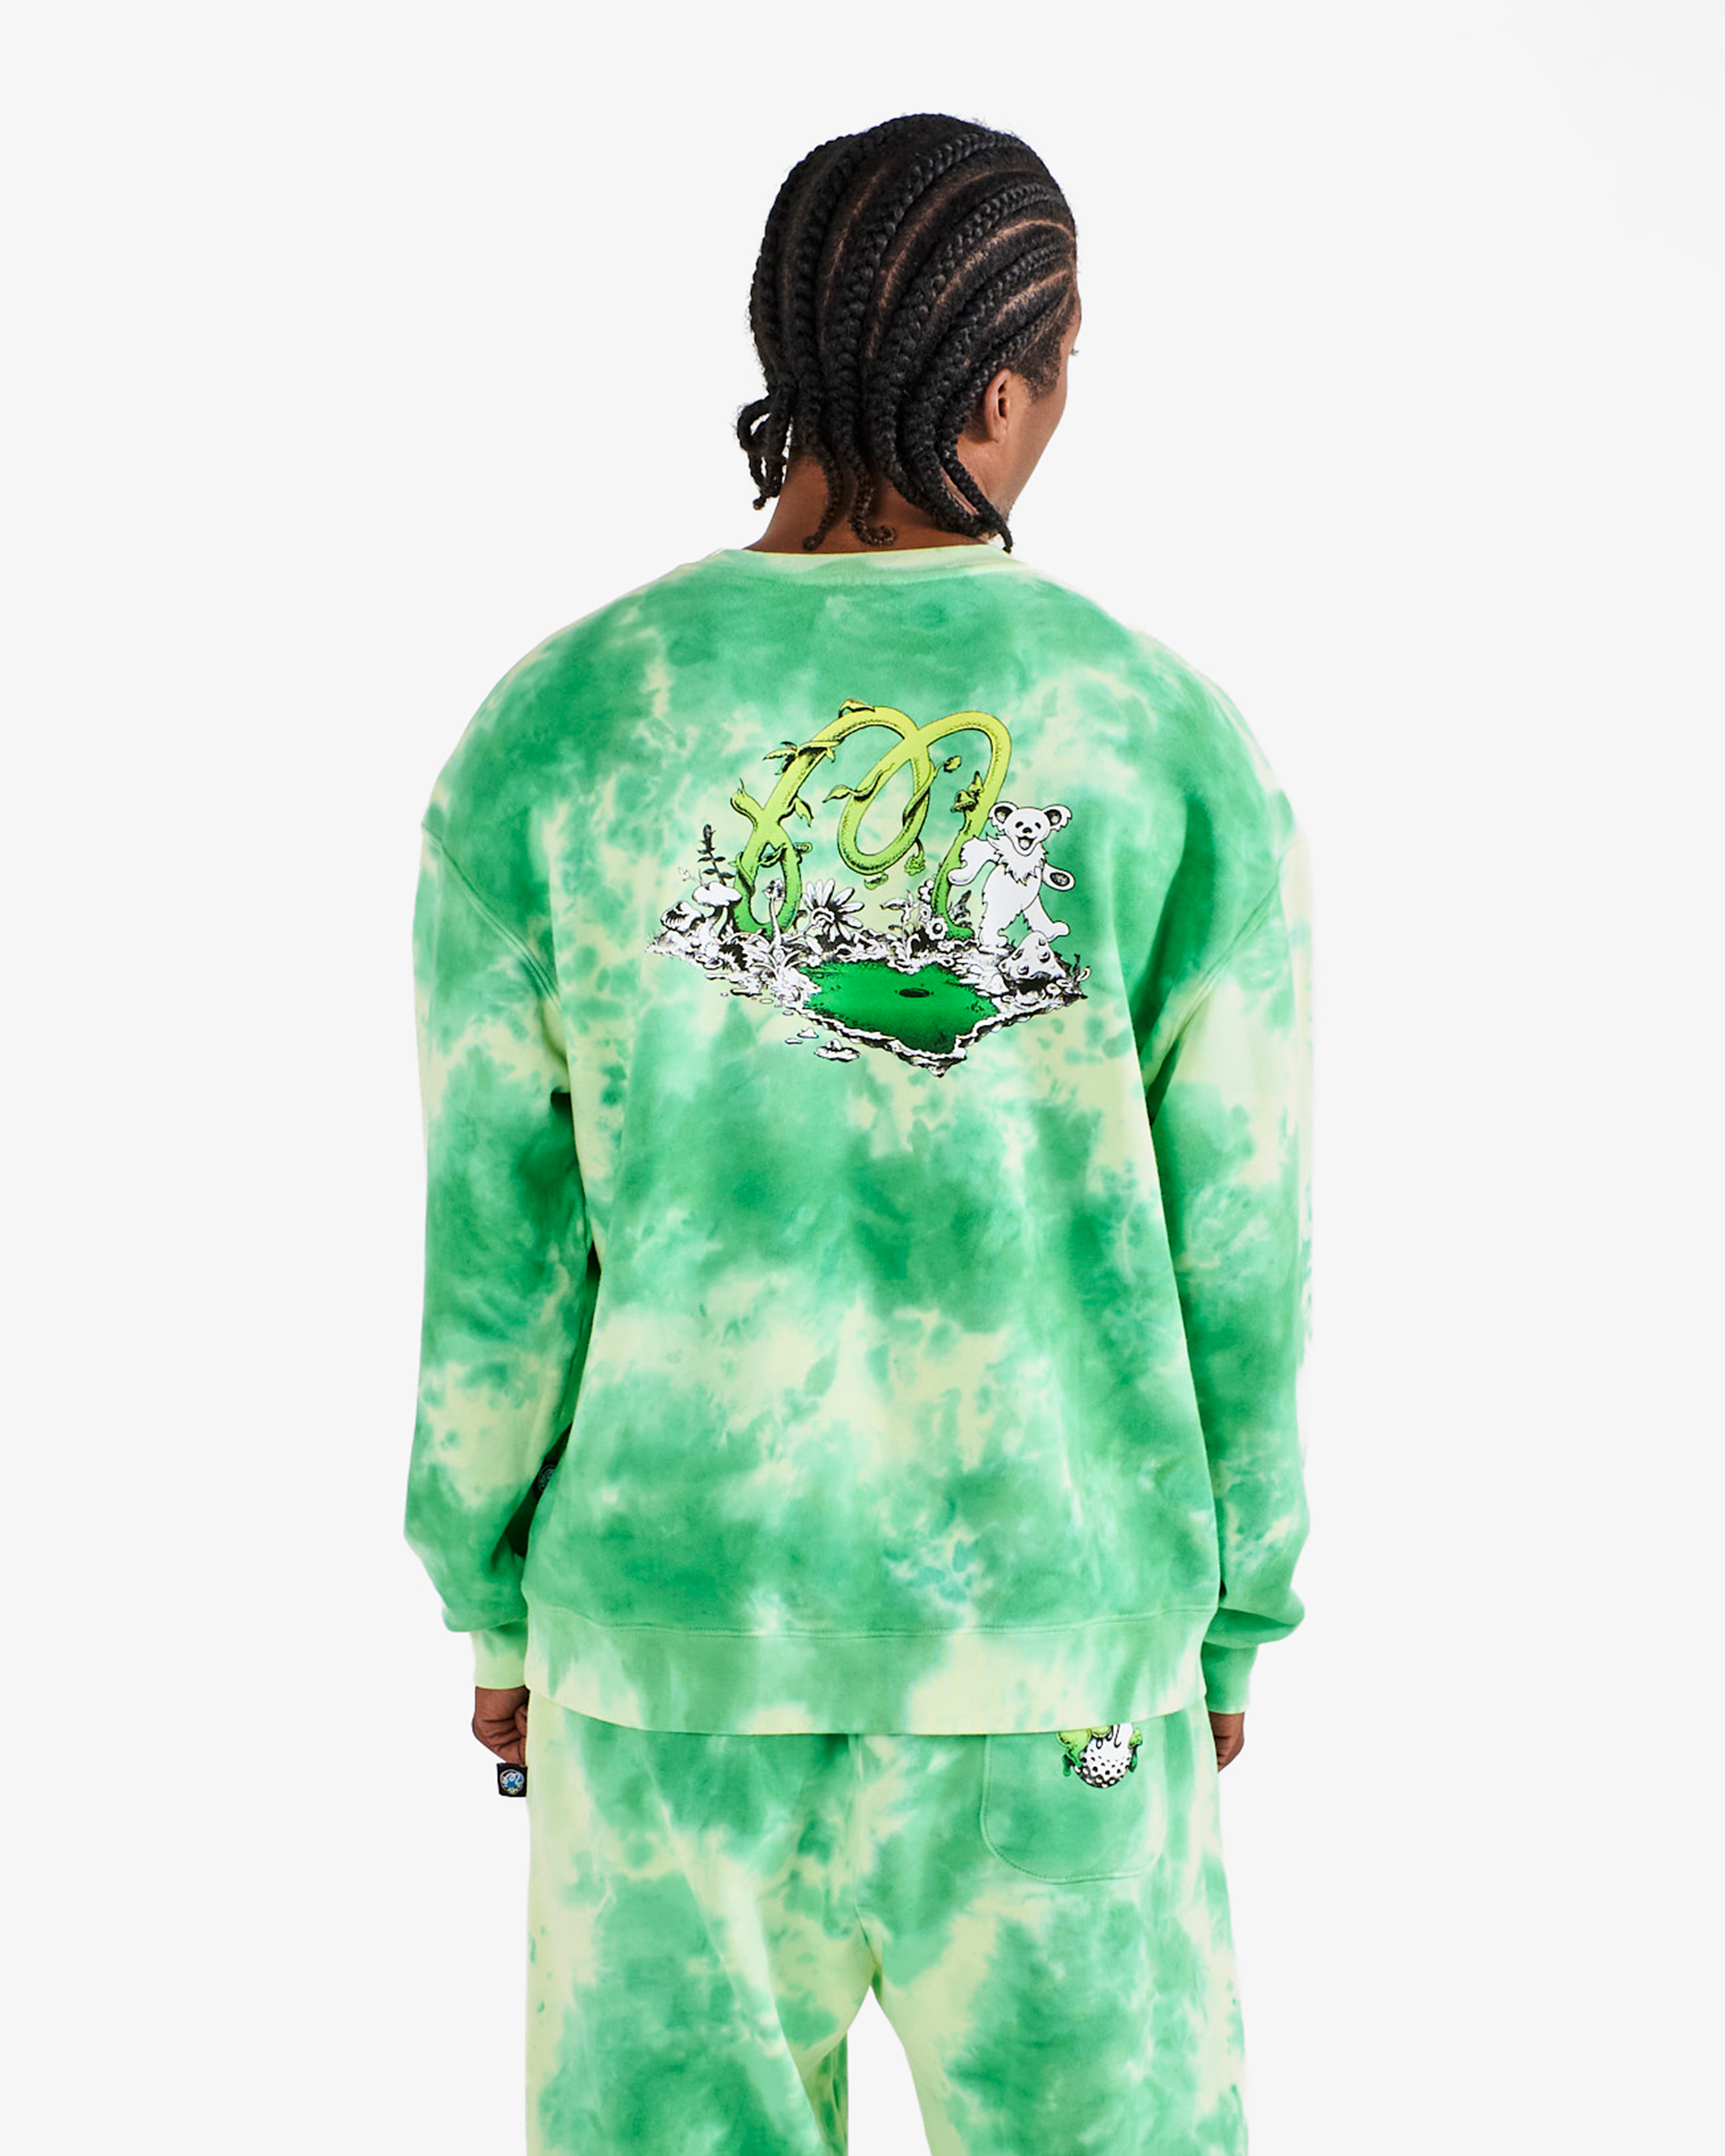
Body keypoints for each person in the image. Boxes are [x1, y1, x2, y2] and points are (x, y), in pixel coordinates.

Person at [406, 111, 1312, 2156]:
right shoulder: (1157, 737)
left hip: (672, 1656)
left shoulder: (564, 727)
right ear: (1004, 390)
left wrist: (496, 1594)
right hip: (1059, 1651)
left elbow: (495, 1244)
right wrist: (1230, 1610)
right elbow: (1239, 1242)